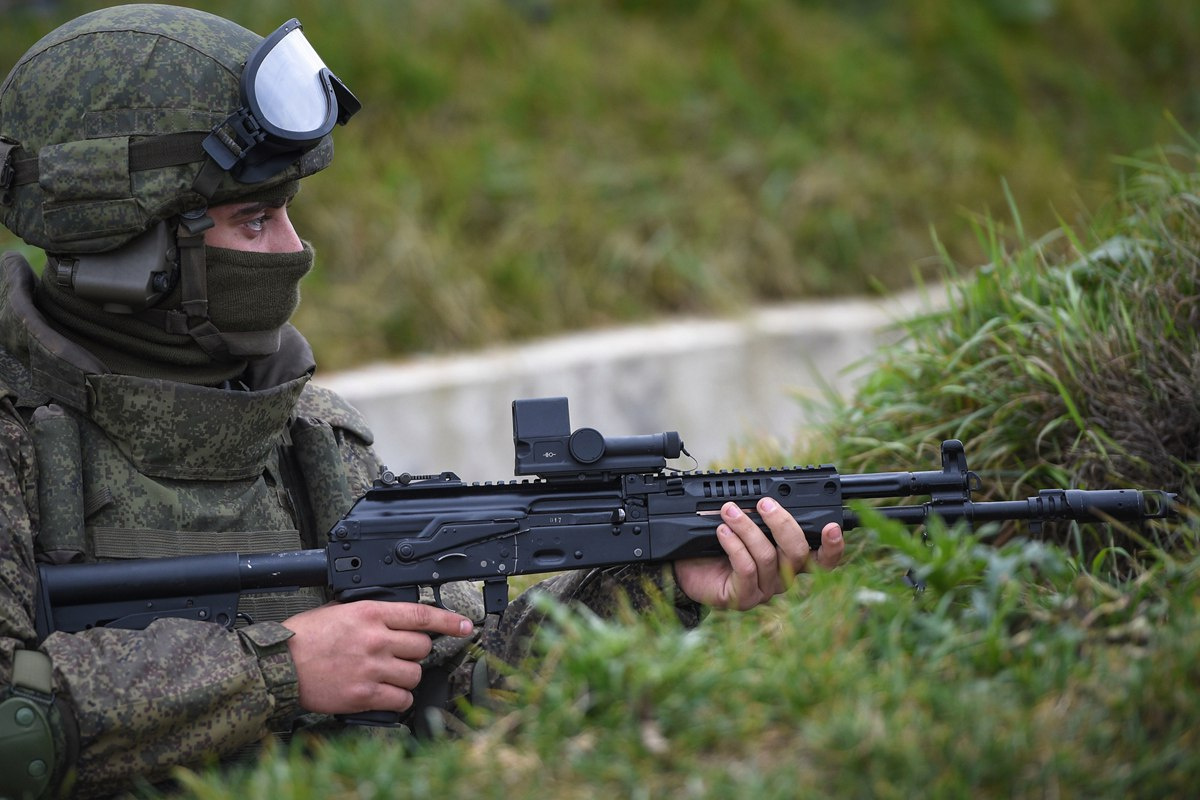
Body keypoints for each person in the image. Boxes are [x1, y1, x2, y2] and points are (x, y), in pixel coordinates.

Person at [0, 5, 845, 798]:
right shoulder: (17, 442)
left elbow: (460, 681)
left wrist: (656, 590)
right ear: (124, 245)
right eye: (255, 220)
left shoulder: (309, 433)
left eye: (289, 213)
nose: (296, 250)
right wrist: (274, 671)